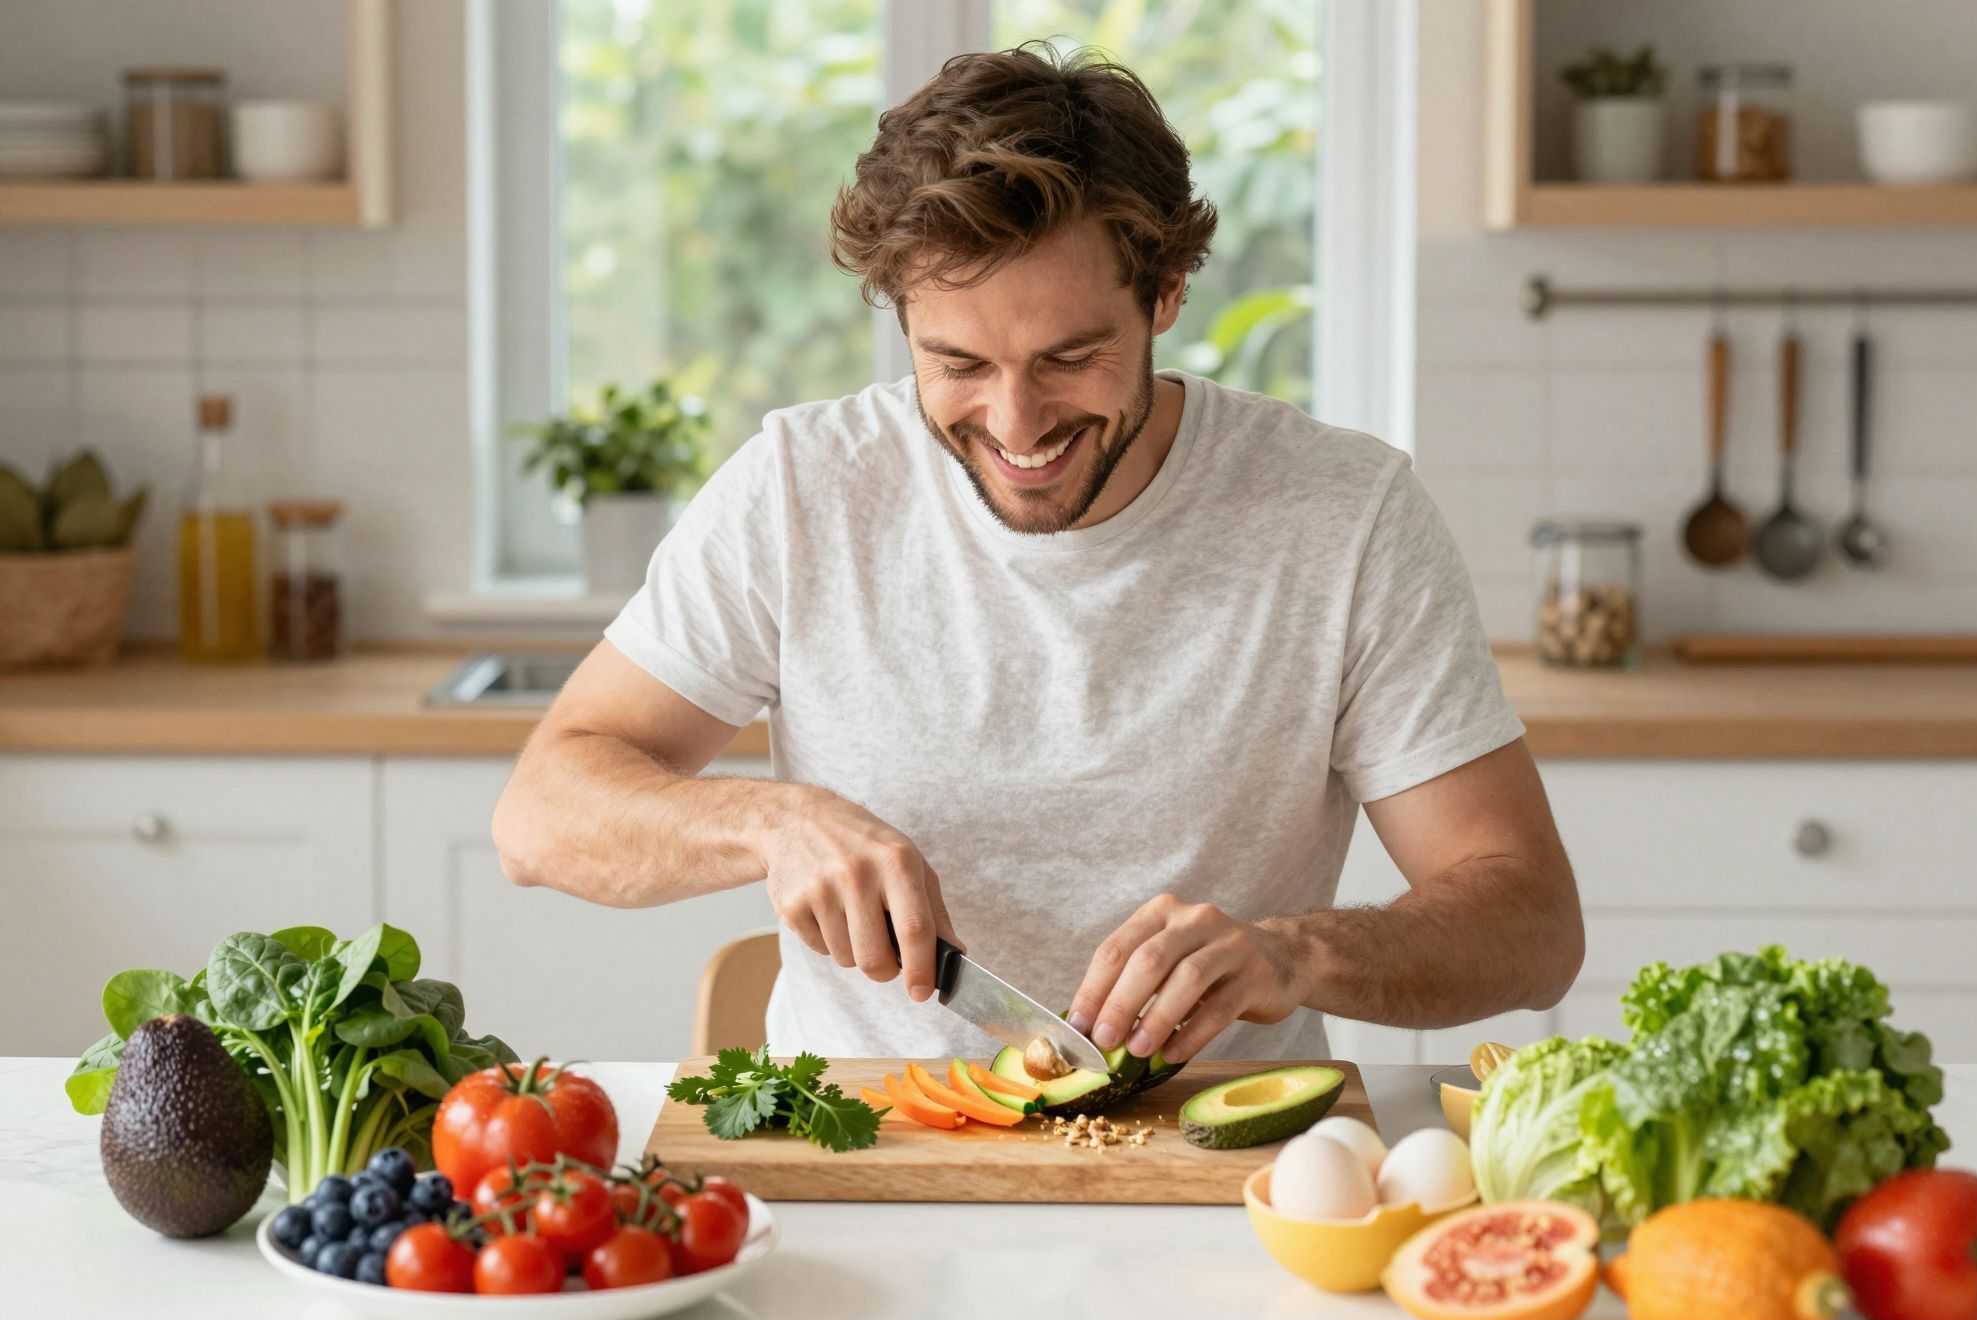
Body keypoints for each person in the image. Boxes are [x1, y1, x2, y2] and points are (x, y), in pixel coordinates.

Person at [493, 44, 1583, 1067]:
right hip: (872, 1151)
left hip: (1210, 1165)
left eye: (1069, 356)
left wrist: (1293, 954)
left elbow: (1528, 921)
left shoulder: (1342, 516)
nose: (1015, 424)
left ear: (1163, 296)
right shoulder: (801, 487)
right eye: (956, 361)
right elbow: (539, 816)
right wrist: (769, 822)